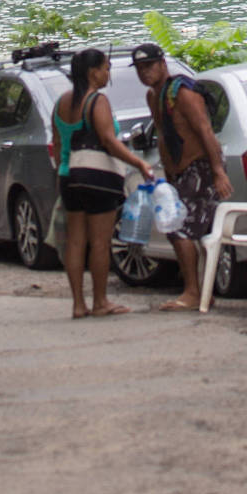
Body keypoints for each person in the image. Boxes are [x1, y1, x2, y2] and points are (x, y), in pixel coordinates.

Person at [50, 49, 150, 319]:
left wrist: (64, 170)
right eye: (106, 68)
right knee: (100, 242)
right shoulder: (97, 101)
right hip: (97, 177)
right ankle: (100, 301)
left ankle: (78, 304)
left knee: (75, 241)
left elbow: (58, 146)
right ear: (92, 72)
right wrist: (139, 163)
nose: (108, 73)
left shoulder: (61, 103)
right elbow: (108, 140)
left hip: (68, 176)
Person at [132, 41, 232, 312]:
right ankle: (198, 290)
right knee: (175, 226)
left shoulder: (184, 93)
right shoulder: (154, 97)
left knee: (180, 228)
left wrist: (218, 172)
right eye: (140, 69)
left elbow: (205, 131)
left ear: (163, 64)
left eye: (149, 66)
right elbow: (163, 136)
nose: (145, 73)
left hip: (198, 168)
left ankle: (192, 292)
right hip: (176, 172)